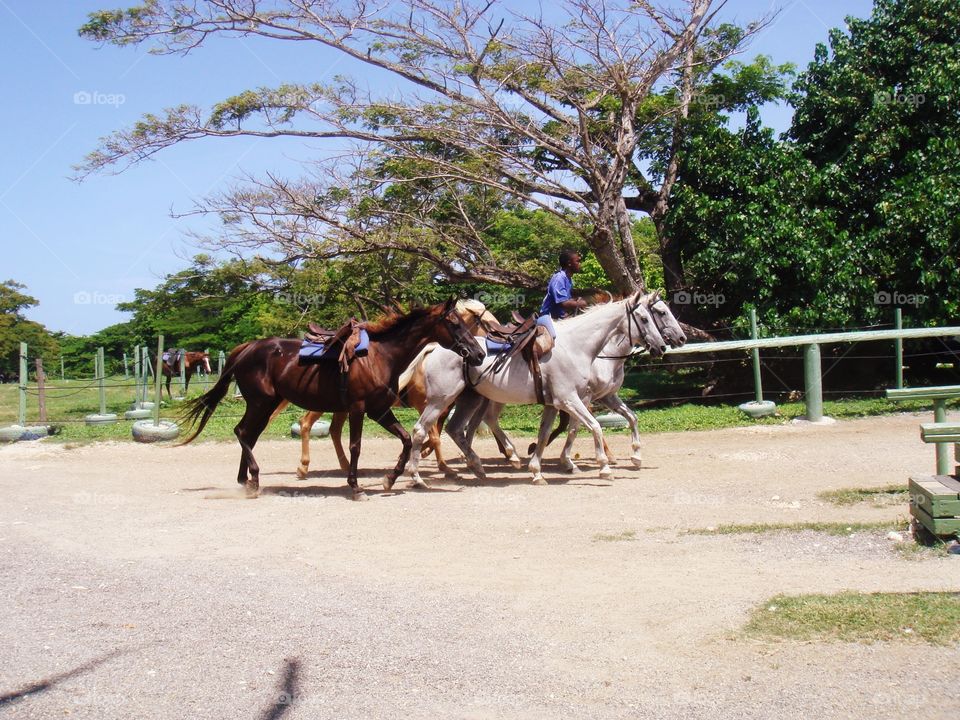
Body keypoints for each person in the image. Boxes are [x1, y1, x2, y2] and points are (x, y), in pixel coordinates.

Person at [540, 249, 588, 320]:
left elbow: (567, 299)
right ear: (569, 263)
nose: (580, 264)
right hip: (549, 318)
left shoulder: (568, 279)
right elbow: (564, 303)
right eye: (577, 261)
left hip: (561, 317)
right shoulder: (559, 279)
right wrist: (584, 303)